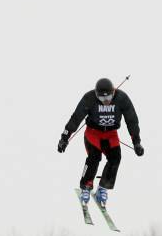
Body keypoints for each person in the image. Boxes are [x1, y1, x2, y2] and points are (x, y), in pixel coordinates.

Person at [57, 78, 144, 206]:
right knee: (94, 157)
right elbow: (76, 118)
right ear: (96, 95)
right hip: (93, 133)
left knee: (115, 158)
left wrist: (136, 142)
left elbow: (132, 120)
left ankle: (103, 187)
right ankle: (86, 186)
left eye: (108, 97)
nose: (106, 101)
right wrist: (64, 138)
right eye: (102, 99)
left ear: (113, 92)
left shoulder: (122, 99)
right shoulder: (89, 98)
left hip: (111, 135)